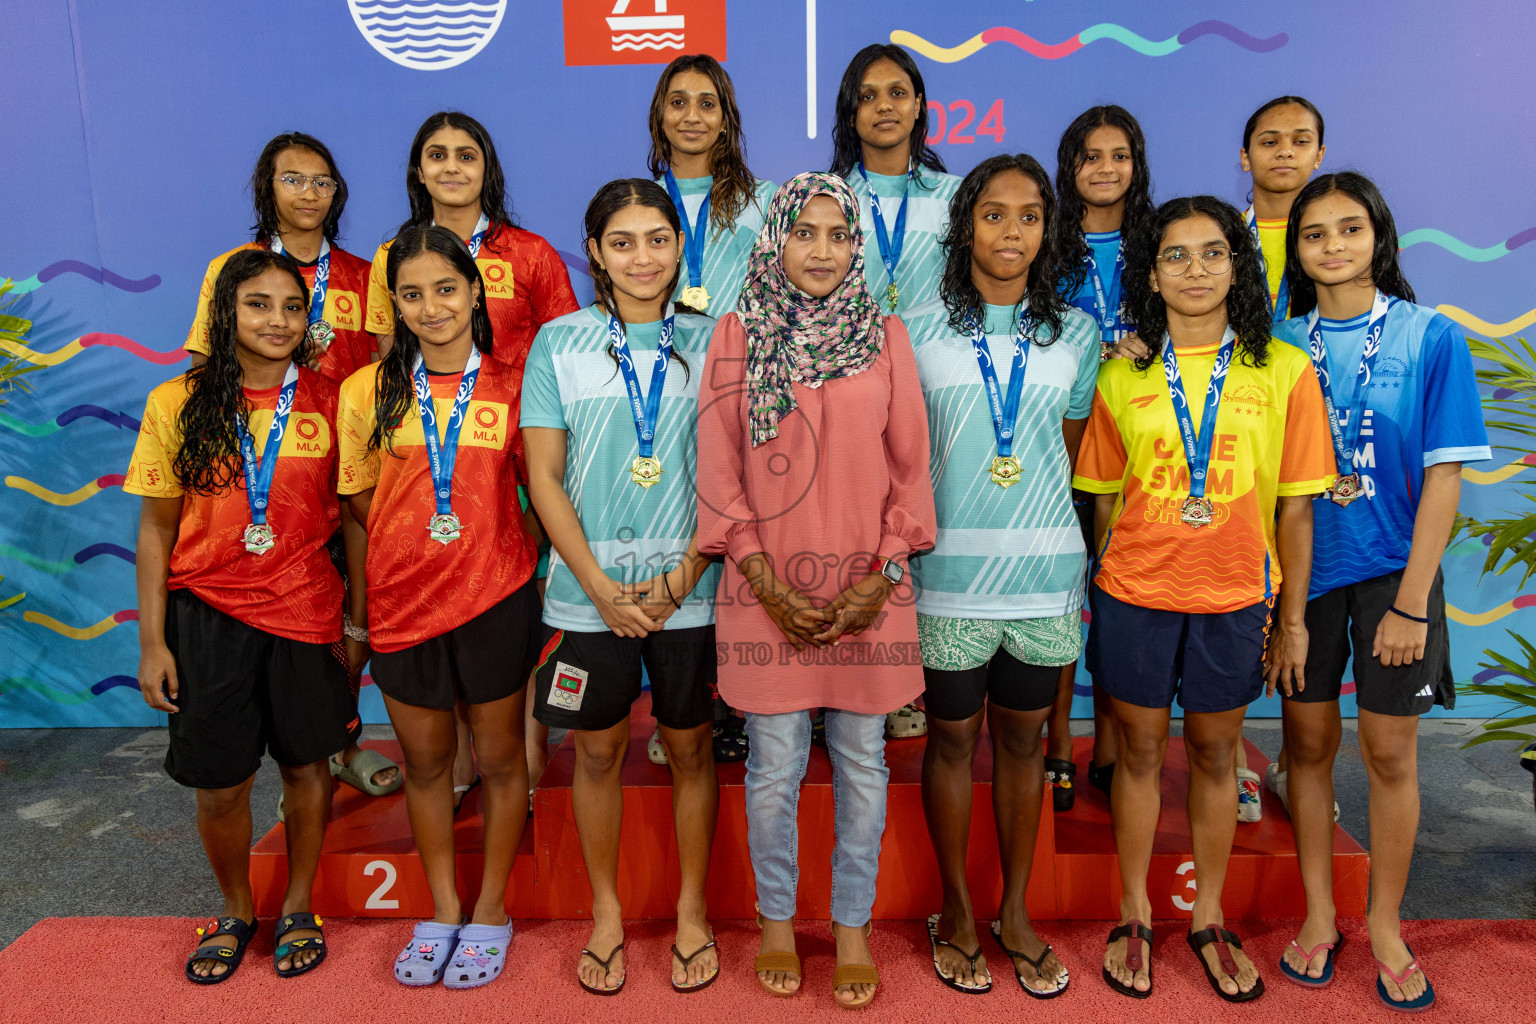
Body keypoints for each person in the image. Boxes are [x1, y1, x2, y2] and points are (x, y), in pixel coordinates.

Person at [1073, 196, 1334, 1003]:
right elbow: (1104, 499)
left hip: (1232, 597)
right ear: (1151, 274)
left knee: (1218, 756)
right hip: (1137, 595)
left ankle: (1209, 917)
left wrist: (1288, 619)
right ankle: (1135, 912)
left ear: (1238, 266)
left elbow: (1295, 506)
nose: (1195, 269)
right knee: (1142, 756)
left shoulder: (1284, 370)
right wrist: (1109, 583)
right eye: (1176, 256)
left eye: (1212, 253)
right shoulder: (1123, 375)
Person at [696, 172, 936, 1009]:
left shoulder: (887, 337)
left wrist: (884, 575)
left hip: (871, 591)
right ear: (775, 241)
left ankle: (851, 927)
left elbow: (912, 475)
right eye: (806, 234)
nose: (823, 251)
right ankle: (773, 923)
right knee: (772, 768)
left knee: (865, 764)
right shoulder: (735, 337)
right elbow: (720, 478)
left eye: (839, 235)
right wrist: (766, 584)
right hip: (766, 591)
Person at [1273, 172, 1489, 1012]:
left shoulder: (1432, 336)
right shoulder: (1284, 348)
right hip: (1308, 580)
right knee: (1309, 749)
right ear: (1297, 251)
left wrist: (1410, 601)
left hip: (1397, 579)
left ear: (1379, 237)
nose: (1332, 246)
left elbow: (1445, 478)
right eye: (1315, 233)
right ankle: (1321, 916)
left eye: (1349, 229)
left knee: (1391, 754)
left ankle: (1389, 923)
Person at [130, 249, 359, 982]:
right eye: (258, 304)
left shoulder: (330, 402)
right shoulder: (178, 403)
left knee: (307, 768)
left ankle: (297, 902)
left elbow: (354, 521)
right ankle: (234, 907)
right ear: (225, 314)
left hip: (306, 614)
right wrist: (153, 643)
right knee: (222, 784)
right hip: (208, 620)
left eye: (293, 307)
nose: (278, 320)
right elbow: (156, 531)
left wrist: (356, 625)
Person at [906, 153, 1099, 997]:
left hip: (1044, 580)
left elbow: (1072, 458)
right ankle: (954, 908)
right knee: (951, 741)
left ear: (1047, 229)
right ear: (966, 224)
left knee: (1022, 744)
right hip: (946, 579)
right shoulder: (913, 328)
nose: (1011, 231)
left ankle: (1014, 910)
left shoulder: (1079, 336)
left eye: (1028, 215)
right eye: (993, 213)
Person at [523, 179, 722, 995]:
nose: (644, 257)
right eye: (624, 242)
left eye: (658, 238)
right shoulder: (558, 344)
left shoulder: (717, 343)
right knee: (597, 752)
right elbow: (543, 477)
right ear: (596, 253)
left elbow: (732, 475)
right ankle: (606, 913)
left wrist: (684, 576)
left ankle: (691, 913)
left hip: (691, 591)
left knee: (690, 748)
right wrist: (597, 585)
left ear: (680, 247)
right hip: (586, 594)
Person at [337, 225, 542, 989]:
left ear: (474, 292)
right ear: (393, 302)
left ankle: (491, 909)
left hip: (495, 599)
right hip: (403, 606)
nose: (432, 307)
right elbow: (357, 496)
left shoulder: (515, 383)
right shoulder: (369, 391)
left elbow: (537, 490)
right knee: (424, 766)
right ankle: (443, 909)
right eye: (413, 294)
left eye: (446, 289)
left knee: (497, 760)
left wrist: (497, 557)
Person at [365, 111, 578, 804]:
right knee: (438, 635)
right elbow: (386, 371)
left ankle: (522, 781)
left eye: (466, 154)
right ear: (418, 170)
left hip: (518, 457)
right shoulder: (388, 257)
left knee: (508, 643)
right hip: (433, 466)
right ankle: (451, 780)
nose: (452, 167)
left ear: (488, 166)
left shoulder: (532, 254)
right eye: (436, 155)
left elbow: (569, 358)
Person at [181, 133, 398, 799]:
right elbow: (201, 371)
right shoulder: (233, 270)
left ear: (339, 193)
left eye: (322, 181)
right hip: (261, 479)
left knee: (338, 618)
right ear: (266, 190)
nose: (309, 193)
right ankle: (304, 753)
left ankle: (342, 740)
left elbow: (389, 372)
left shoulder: (366, 275)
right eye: (293, 179)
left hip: (343, 466)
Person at [645, 53, 776, 763]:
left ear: (727, 119)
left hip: (747, 393)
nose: (692, 116)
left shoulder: (764, 203)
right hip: (660, 397)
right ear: (659, 116)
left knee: (752, 539)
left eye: (707, 103)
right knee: (683, 533)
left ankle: (758, 700)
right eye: (678, 102)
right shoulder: (640, 199)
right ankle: (694, 706)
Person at [830, 42, 958, 740]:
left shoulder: (958, 196)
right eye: (869, 94)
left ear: (919, 105)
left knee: (910, 520)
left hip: (936, 386)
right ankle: (832, 678)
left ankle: (902, 684)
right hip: (841, 390)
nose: (885, 106)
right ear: (851, 110)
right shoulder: (824, 198)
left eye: (898, 92)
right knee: (845, 527)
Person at [1043, 105, 1158, 810]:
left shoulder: (1161, 241)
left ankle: (1111, 745)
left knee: (1119, 605)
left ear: (1137, 164)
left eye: (1120, 154)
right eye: (1091, 155)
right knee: (1059, 605)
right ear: (1071, 167)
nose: (1106, 168)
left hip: (1145, 454)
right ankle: (1058, 739)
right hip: (1060, 448)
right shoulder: (1047, 242)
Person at [1240, 97, 1327, 324]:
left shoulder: (1340, 238)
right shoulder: (1223, 237)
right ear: (1245, 157)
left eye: (1301, 141)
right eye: (1270, 142)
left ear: (1319, 155)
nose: (1285, 152)